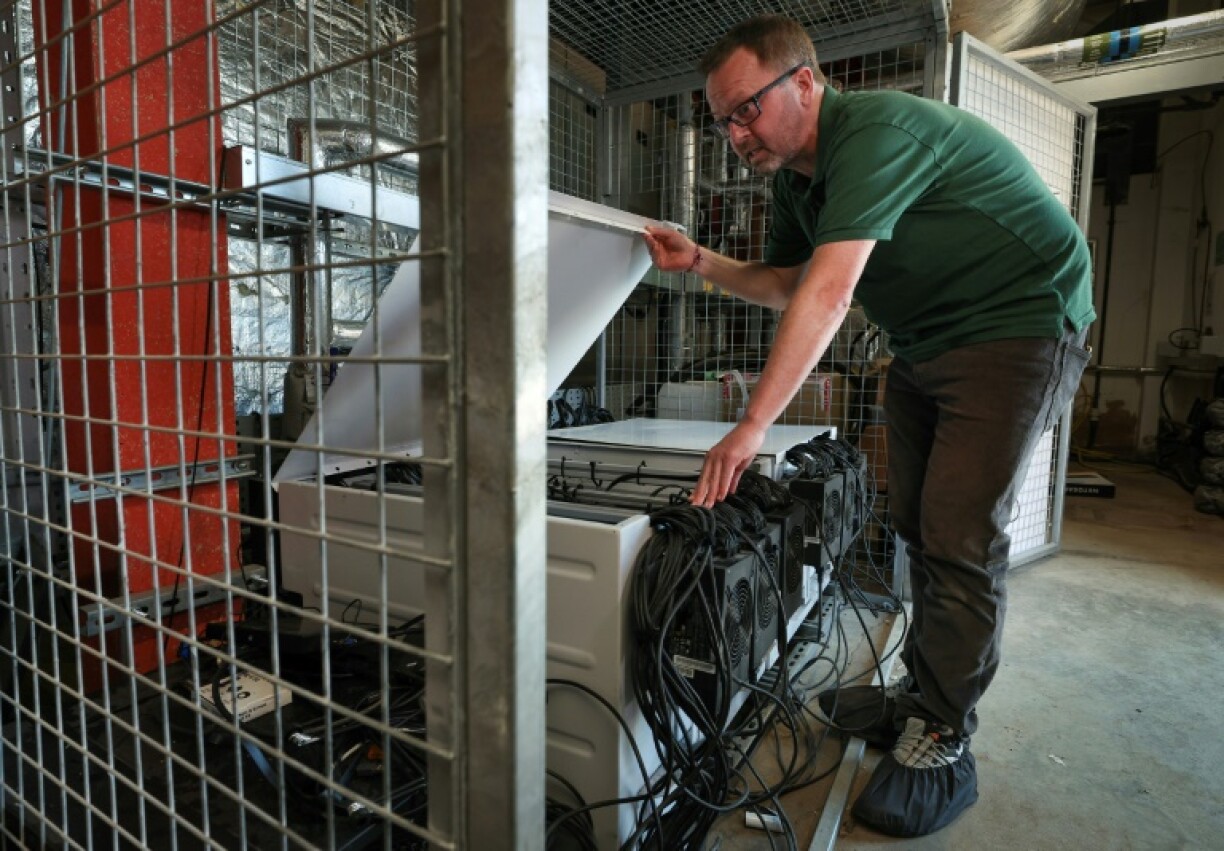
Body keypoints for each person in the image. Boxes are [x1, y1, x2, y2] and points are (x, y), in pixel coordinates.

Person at [642, 14, 1094, 839]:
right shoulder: (796, 181)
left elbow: (829, 292)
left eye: (746, 109)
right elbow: (785, 279)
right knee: (919, 525)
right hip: (927, 341)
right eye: (723, 120)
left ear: (806, 83)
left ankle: (945, 738)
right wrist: (699, 262)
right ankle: (923, 697)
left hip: (1020, 325)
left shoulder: (875, 131)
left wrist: (750, 426)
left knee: (959, 535)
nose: (735, 133)